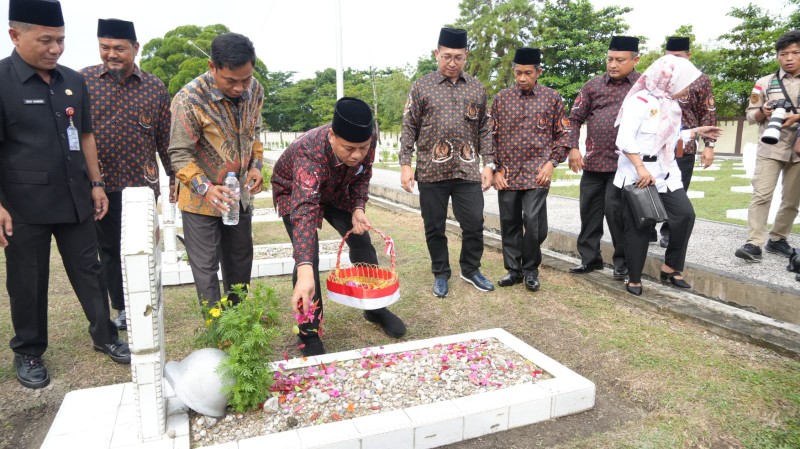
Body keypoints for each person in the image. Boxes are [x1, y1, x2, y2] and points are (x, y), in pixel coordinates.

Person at [0, 0, 130, 389]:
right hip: (23, 205)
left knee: (89, 270)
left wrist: (96, 183)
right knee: (27, 280)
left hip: (75, 198)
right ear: (15, 35)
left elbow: (85, 135)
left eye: (60, 40)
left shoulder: (72, 80)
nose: (55, 49)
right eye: (46, 40)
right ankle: (29, 350)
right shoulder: (2, 82)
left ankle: (105, 335)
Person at [272, 97, 407, 356]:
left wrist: (357, 208)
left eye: (363, 148)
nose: (357, 155)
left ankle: (375, 308)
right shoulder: (310, 152)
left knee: (362, 242)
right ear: (332, 136)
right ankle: (309, 331)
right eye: (349, 148)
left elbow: (361, 176)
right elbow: (304, 210)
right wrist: (304, 270)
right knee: (307, 259)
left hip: (336, 189)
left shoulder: (368, 141)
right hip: (294, 192)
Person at [81, 18, 174, 330]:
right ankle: (121, 307)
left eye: (119, 48)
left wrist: (175, 176)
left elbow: (165, 138)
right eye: (104, 48)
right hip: (100, 186)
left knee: (140, 248)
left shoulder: (154, 87)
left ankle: (143, 303)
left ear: (135, 48)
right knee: (107, 250)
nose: (111, 54)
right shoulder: (84, 81)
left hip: (141, 186)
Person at [612, 55, 723, 296]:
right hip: (638, 172)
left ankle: (670, 266)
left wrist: (695, 131)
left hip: (666, 170)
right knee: (640, 226)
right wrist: (641, 169)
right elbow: (624, 139)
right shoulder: (638, 101)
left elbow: (667, 138)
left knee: (684, 216)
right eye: (684, 82)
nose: (686, 88)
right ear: (668, 79)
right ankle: (633, 277)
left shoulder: (672, 105)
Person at [168, 33, 264, 306]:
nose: (239, 88)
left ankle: (239, 322)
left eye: (245, 79)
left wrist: (255, 166)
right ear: (212, 67)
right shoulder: (189, 99)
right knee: (206, 268)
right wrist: (205, 188)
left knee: (241, 261)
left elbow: (254, 132)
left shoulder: (255, 90)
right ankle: (216, 331)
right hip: (200, 199)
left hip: (238, 195)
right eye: (231, 81)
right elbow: (178, 153)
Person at [399, 27, 495, 298]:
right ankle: (441, 273)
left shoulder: (476, 87)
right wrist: (406, 163)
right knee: (434, 226)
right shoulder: (421, 86)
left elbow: (485, 129)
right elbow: (409, 126)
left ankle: (471, 269)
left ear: (466, 56)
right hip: (431, 170)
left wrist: (489, 163)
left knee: (474, 222)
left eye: (458, 57)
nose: (452, 63)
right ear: (436, 54)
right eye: (446, 56)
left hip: (466, 169)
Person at [490, 48, 570, 292]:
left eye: (527, 73)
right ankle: (513, 270)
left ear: (538, 72)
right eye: (517, 73)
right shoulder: (501, 99)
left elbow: (563, 134)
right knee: (509, 222)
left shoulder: (552, 98)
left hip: (538, 173)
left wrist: (551, 162)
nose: (522, 78)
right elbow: (489, 136)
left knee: (534, 223)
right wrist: (495, 169)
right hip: (507, 172)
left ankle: (531, 269)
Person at [567, 36, 641, 280]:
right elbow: (575, 118)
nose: (613, 64)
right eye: (610, 59)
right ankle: (590, 259)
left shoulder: (642, 86)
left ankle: (622, 263)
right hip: (593, 164)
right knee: (589, 213)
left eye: (620, 60)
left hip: (623, 166)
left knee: (616, 214)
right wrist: (574, 148)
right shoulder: (593, 86)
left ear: (635, 60)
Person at [735, 30, 800, 263]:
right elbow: (751, 115)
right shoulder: (765, 83)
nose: (789, 58)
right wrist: (764, 111)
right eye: (784, 54)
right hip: (770, 147)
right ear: (777, 57)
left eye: (795, 53)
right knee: (761, 194)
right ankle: (754, 243)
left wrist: (797, 117)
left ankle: (778, 239)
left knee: (792, 200)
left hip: (799, 148)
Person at [657, 36, 717, 248]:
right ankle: (646, 228)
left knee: (677, 190)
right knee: (650, 188)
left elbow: (707, 114)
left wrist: (709, 147)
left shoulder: (700, 79)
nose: (675, 61)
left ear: (689, 56)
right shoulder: (659, 75)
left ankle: (668, 231)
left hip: (685, 146)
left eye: (679, 56)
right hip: (655, 145)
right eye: (670, 56)